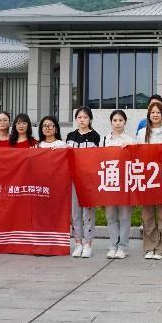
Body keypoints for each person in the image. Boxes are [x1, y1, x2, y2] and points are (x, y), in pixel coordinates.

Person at [137, 101, 162, 260]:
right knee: (147, 216)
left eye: (158, 112)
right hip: (146, 177)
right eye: (152, 112)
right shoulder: (142, 133)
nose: (155, 115)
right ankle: (149, 247)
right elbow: (137, 153)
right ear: (149, 115)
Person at [66, 106, 100, 258]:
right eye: (79, 117)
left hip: (88, 180)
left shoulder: (95, 136)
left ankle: (88, 244)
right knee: (75, 213)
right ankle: (78, 243)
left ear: (90, 119)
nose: (82, 120)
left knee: (88, 212)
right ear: (76, 119)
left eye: (85, 117)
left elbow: (98, 158)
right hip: (73, 179)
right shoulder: (70, 136)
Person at [102, 110, 133, 260]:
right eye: (115, 120)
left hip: (125, 183)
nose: (118, 123)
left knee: (125, 216)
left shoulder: (130, 140)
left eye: (120, 120)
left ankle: (123, 247)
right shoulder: (104, 140)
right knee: (110, 216)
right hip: (109, 182)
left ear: (125, 122)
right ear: (111, 122)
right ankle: (113, 245)